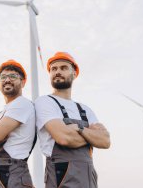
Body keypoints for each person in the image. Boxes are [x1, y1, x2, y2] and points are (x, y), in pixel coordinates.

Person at [35, 52, 110, 188]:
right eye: (54, 69)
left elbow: (105, 141)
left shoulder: (85, 109)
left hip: (88, 178)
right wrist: (90, 135)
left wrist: (79, 129)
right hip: (61, 176)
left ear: (74, 73)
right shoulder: (44, 102)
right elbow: (64, 138)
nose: (57, 71)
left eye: (63, 68)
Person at [0, 59, 36, 188]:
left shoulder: (22, 105)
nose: (7, 80)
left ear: (23, 82)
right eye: (3, 77)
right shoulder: (3, 112)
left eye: (13, 76)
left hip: (10, 175)